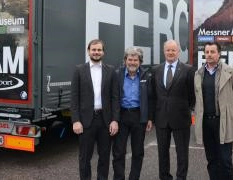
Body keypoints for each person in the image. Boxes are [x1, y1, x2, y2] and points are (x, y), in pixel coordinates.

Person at [70, 39, 120, 180]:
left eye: (99, 50)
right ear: (88, 51)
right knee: (85, 158)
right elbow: (74, 98)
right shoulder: (79, 70)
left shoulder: (111, 71)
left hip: (105, 121)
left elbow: (115, 98)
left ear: (103, 52)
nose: (96, 52)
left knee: (104, 157)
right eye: (94, 49)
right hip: (86, 121)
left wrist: (115, 120)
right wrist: (76, 120)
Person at [194, 42, 233, 180]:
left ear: (219, 53)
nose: (209, 54)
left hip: (223, 122)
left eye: (212, 52)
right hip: (206, 123)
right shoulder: (198, 74)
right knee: (211, 160)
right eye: (207, 52)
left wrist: (229, 112)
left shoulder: (230, 72)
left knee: (225, 160)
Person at [151, 39, 195, 180]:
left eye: (173, 50)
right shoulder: (156, 70)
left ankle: (181, 177)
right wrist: (152, 117)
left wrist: (187, 109)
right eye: (168, 50)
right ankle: (164, 177)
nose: (170, 52)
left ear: (178, 52)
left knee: (182, 153)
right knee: (162, 152)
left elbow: (192, 94)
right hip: (161, 118)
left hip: (181, 118)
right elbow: (153, 95)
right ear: (164, 52)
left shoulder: (188, 70)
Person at [112, 47, 153, 180]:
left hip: (138, 116)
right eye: (130, 59)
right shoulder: (117, 74)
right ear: (125, 60)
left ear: (140, 62)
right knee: (118, 152)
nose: (132, 62)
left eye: (136, 60)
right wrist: (113, 119)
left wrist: (150, 118)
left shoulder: (146, 76)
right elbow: (112, 97)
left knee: (138, 152)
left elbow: (151, 98)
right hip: (121, 116)